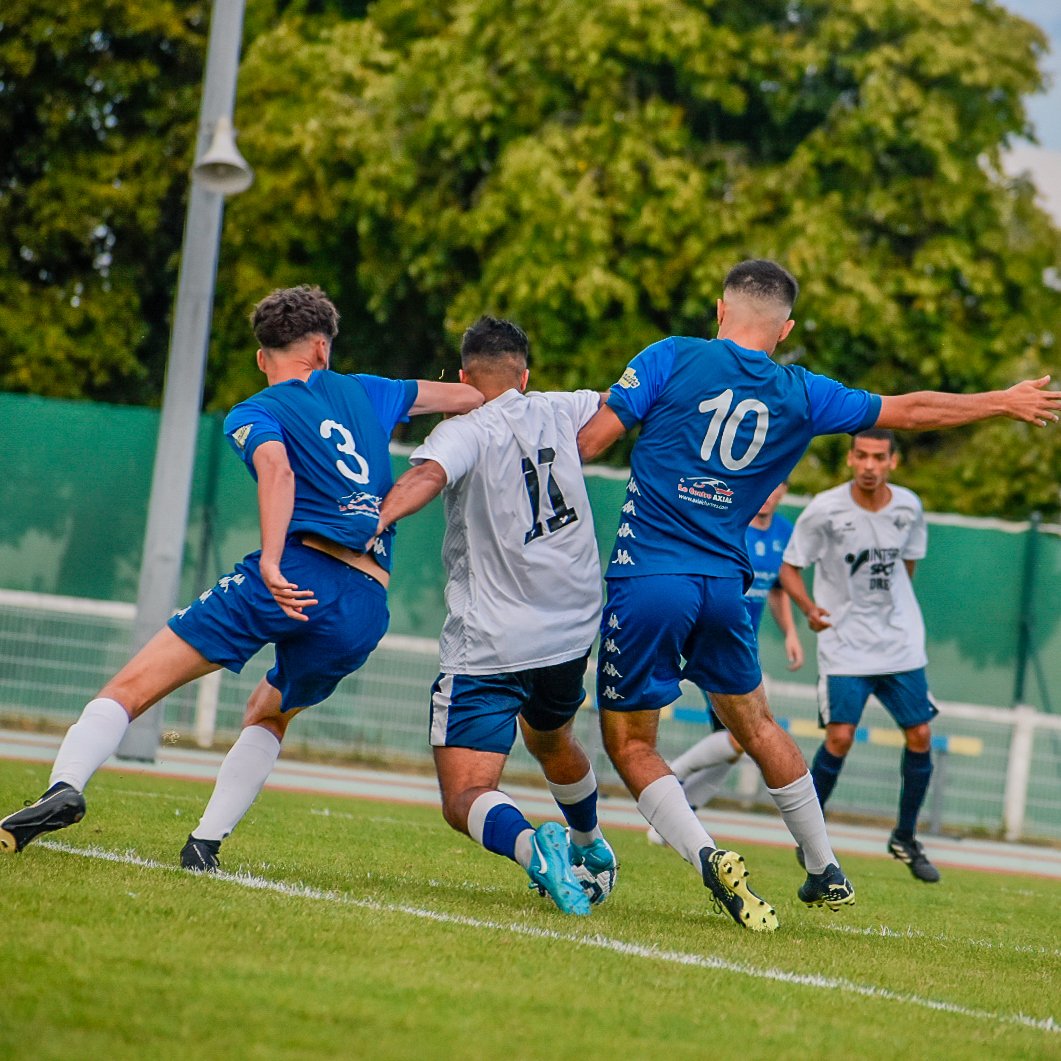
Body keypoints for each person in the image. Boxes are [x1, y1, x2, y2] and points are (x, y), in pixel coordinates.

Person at [577, 258, 1060, 932]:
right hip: (723, 585)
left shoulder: (669, 356)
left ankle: (706, 854)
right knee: (758, 724)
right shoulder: (802, 392)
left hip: (649, 577)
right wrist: (1001, 401)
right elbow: (910, 410)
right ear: (785, 329)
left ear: (720, 310)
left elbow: (591, 439)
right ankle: (824, 864)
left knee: (629, 744)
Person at [0, 285, 483, 869]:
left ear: (262, 358)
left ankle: (64, 788)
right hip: (364, 602)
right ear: (324, 348)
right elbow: (466, 396)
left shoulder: (255, 411)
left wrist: (274, 560)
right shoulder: (367, 391)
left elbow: (276, 469)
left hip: (295, 570)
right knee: (269, 712)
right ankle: (205, 844)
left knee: (131, 688)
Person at [374, 316, 617, 917]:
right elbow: (623, 404)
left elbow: (426, 475)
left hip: (493, 642)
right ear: (525, 375)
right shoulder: (563, 407)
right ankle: (594, 846)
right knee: (550, 735)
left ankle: (538, 848)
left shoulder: (466, 430)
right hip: (570, 631)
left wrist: (374, 521)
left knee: (465, 796)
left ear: (462, 378)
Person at [779, 429, 941, 883]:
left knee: (921, 734)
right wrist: (810, 609)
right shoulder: (825, 510)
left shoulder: (909, 507)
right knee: (840, 738)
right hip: (845, 644)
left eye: (879, 458)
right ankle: (812, 840)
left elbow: (906, 566)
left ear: (894, 462)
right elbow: (790, 567)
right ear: (850, 459)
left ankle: (905, 838)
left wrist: (893, 609)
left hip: (900, 642)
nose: (870, 465)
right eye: (862, 456)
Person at [646, 480, 802, 842]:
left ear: (783, 492)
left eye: (776, 487)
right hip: (711, 636)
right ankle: (672, 776)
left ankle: (672, 823)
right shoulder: (731, 522)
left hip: (742, 646)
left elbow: (778, 589)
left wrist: (791, 632)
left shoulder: (785, 532)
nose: (767, 493)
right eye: (765, 485)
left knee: (735, 742)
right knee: (743, 736)